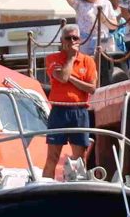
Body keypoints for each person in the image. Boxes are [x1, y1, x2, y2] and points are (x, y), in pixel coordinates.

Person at [41, 25, 99, 181]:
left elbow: (92, 88)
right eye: (68, 38)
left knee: (80, 158)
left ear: (79, 40)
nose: (72, 41)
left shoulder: (88, 61)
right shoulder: (52, 59)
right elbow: (62, 78)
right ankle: (46, 187)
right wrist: (71, 58)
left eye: (75, 38)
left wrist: (71, 79)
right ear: (62, 41)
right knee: (52, 157)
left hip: (80, 111)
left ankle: (78, 188)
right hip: (59, 111)